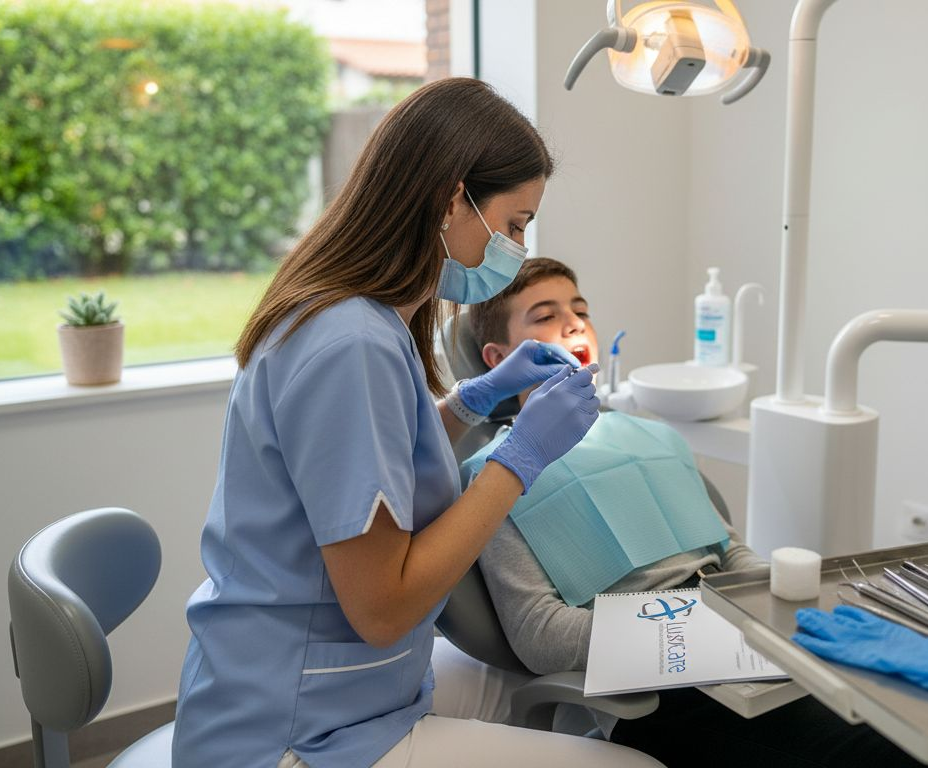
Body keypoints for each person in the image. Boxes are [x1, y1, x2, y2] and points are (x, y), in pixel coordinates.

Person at [171, 79, 662, 768]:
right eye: (515, 224)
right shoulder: (351, 344)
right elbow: (384, 609)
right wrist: (521, 455)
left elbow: (372, 459)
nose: (519, 248)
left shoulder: (364, 319)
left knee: (571, 710)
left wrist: (472, 401)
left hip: (343, 689)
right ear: (451, 199)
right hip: (298, 729)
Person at [460, 257, 928, 768]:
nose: (575, 324)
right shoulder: (491, 477)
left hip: (755, 640)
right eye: (544, 316)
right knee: (893, 756)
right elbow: (539, 634)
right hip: (668, 685)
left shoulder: (649, 434)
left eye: (580, 308)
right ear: (500, 360)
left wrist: (786, 599)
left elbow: (728, 551)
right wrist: (695, 631)